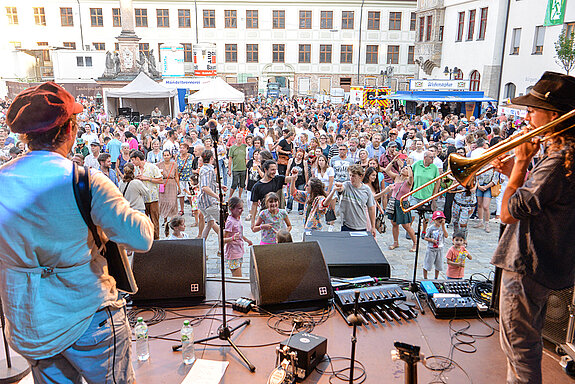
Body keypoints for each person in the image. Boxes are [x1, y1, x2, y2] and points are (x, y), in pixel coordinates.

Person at [0, 81, 153, 383]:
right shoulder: (85, 181)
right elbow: (141, 237)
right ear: (70, 130)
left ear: (25, 135)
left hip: (30, 322)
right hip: (88, 316)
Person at [491, 71, 575, 384]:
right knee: (525, 344)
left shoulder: (556, 161)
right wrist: (518, 171)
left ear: (553, 115)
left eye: (532, 109)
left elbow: (508, 214)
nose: (526, 115)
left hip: (527, 266)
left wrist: (520, 167)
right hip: (544, 266)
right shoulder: (564, 157)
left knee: (520, 351)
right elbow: (541, 204)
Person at [384, 156, 417, 251]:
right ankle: (396, 242)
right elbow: (387, 170)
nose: (403, 169)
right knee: (394, 223)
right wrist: (393, 161)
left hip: (403, 204)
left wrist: (409, 166)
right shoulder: (396, 177)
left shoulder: (408, 181)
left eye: (406, 169)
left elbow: (411, 176)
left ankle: (415, 243)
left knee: (406, 225)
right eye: (403, 168)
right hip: (394, 203)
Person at [334, 164, 376, 237]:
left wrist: (373, 226)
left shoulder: (366, 190)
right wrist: (339, 187)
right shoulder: (346, 185)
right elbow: (341, 188)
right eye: (350, 175)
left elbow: (371, 208)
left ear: (361, 176)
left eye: (353, 176)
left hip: (361, 226)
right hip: (346, 225)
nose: (351, 178)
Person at [130, 150, 163, 240]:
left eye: (133, 160)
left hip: (152, 199)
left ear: (138, 159)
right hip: (141, 200)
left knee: (154, 221)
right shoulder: (135, 169)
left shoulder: (152, 167)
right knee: (142, 222)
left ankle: (156, 240)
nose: (132, 162)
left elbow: (160, 180)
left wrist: (147, 179)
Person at [224, 197, 253, 277]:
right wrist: (232, 238)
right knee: (238, 279)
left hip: (239, 251)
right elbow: (222, 240)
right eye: (239, 208)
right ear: (231, 209)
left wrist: (246, 240)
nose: (242, 210)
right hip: (233, 254)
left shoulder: (238, 218)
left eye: (242, 208)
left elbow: (239, 233)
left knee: (238, 277)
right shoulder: (230, 222)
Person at [198, 149, 222, 240]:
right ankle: (221, 249)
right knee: (224, 224)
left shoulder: (204, 168)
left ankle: (201, 246)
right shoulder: (208, 170)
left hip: (203, 202)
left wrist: (219, 186)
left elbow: (208, 183)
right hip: (208, 202)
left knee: (210, 223)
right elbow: (205, 187)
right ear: (212, 158)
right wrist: (216, 196)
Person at [423, 210, 448, 279]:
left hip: (440, 248)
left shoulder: (443, 227)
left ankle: (436, 278)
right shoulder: (431, 228)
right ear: (434, 220)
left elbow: (446, 235)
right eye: (438, 219)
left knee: (438, 265)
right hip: (431, 249)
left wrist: (443, 226)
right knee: (427, 264)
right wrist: (432, 240)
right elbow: (425, 237)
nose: (439, 220)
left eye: (441, 219)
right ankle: (425, 278)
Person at [158, 150, 180, 226]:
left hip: (172, 184)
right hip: (163, 184)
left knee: (173, 202)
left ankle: (172, 219)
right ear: (163, 156)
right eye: (165, 155)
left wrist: (179, 186)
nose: (166, 157)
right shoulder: (159, 165)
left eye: (168, 155)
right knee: (163, 202)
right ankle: (165, 219)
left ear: (170, 156)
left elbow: (176, 176)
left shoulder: (174, 164)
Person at [228, 132, 248, 198]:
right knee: (234, 184)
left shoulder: (244, 147)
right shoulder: (232, 148)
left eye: (240, 138)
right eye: (238, 137)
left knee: (242, 184)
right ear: (235, 139)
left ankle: (239, 197)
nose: (239, 139)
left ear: (242, 139)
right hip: (235, 169)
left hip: (243, 168)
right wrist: (229, 170)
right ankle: (230, 197)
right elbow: (230, 159)